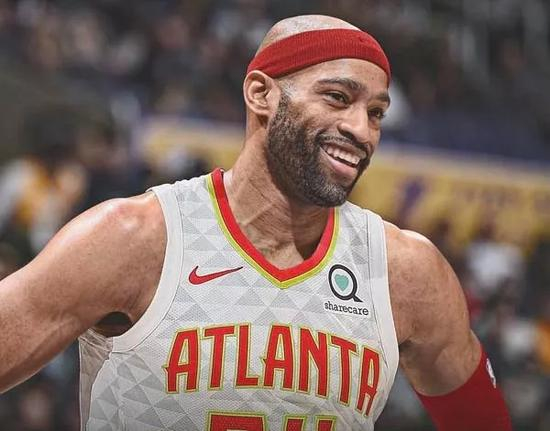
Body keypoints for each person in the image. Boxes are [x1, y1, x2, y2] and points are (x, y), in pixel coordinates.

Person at [0, 15, 512, 431]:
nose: (362, 129)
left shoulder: (407, 272)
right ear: (261, 94)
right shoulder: (137, 238)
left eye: (376, 112)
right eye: (337, 97)